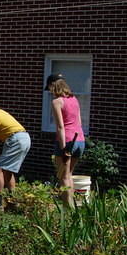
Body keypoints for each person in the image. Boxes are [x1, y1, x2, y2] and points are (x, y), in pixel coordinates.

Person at [45, 73, 85, 206]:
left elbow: (60, 127)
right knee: (69, 174)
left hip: (67, 141)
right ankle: (72, 205)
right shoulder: (74, 99)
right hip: (80, 140)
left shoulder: (57, 102)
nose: (50, 92)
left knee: (63, 175)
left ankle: (68, 208)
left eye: (50, 88)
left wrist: (63, 149)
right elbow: (79, 122)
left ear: (53, 86)